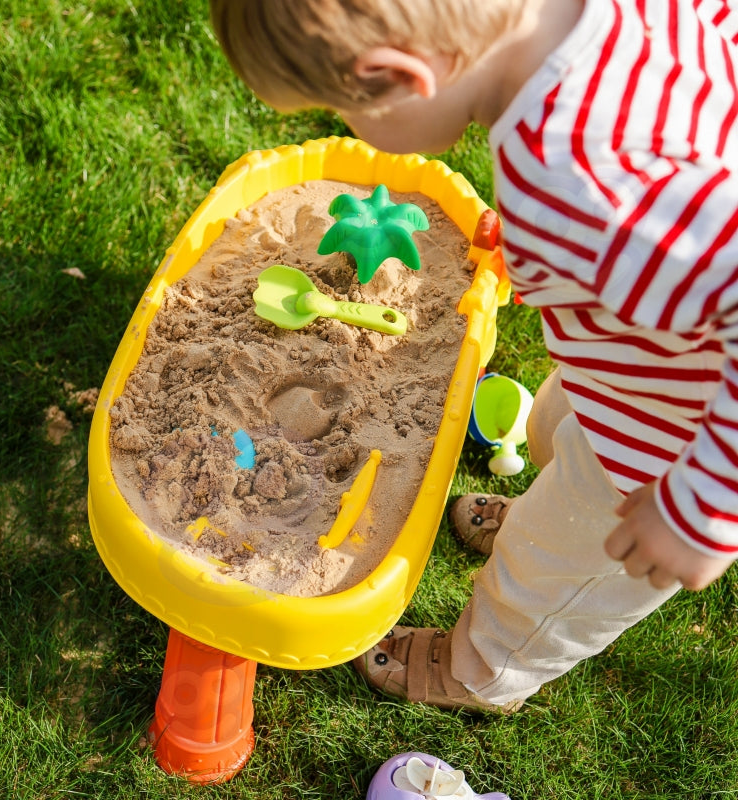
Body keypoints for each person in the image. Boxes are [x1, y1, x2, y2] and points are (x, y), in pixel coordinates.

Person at [209, 0, 738, 712]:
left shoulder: (584, 181)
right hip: (641, 368)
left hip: (667, 452)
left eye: (345, 107)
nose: (350, 127)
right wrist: (549, 241)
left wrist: (702, 510)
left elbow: (636, 207)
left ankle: (482, 671)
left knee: (552, 576)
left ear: (399, 76)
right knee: (552, 432)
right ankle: (537, 518)